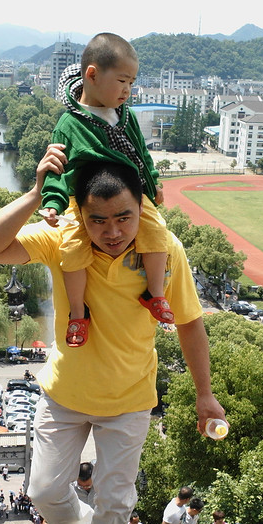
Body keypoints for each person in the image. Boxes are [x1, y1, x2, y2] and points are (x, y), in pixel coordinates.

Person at [0, 147, 226, 524]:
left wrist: (205, 394)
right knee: (44, 490)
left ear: (140, 207)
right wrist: (37, 193)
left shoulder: (161, 251)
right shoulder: (63, 237)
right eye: (98, 220)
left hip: (129, 399)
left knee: (116, 501)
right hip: (64, 393)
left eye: (124, 217)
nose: (112, 231)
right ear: (81, 215)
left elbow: (189, 322)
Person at [39, 32, 173, 347]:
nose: (128, 90)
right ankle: (77, 312)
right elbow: (58, 168)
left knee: (156, 230)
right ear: (93, 75)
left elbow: (142, 155)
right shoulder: (70, 124)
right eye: (122, 81)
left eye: (132, 82)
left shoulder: (125, 117)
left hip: (129, 194)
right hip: (85, 201)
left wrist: (153, 186)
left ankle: (154, 294)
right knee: (71, 248)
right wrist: (53, 203)